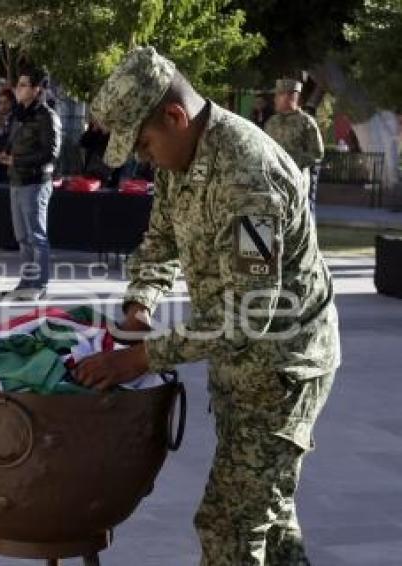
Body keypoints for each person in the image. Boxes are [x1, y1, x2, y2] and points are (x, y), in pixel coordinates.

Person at [79, 47, 339, 565]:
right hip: (241, 364)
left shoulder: (248, 176)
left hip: (282, 368)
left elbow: (248, 313)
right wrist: (141, 305)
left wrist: (138, 358)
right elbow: (159, 240)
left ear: (176, 116)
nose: (145, 158)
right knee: (272, 522)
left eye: (146, 144)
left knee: (230, 526)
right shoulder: (182, 156)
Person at [0, 67, 62, 300]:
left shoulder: (47, 116)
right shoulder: (20, 114)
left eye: (24, 85)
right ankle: (26, 284)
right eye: (18, 84)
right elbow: (14, 142)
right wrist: (6, 154)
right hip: (17, 179)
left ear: (36, 90)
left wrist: (17, 159)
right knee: (22, 238)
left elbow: (50, 153)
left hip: (36, 181)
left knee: (36, 236)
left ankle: (40, 285)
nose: (18, 89)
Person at [265, 79, 325, 213]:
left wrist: (293, 160)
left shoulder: (306, 122)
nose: (274, 99)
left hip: (297, 182)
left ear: (290, 97)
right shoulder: (271, 122)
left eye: (277, 95)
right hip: (275, 182)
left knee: (303, 217)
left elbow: (317, 154)